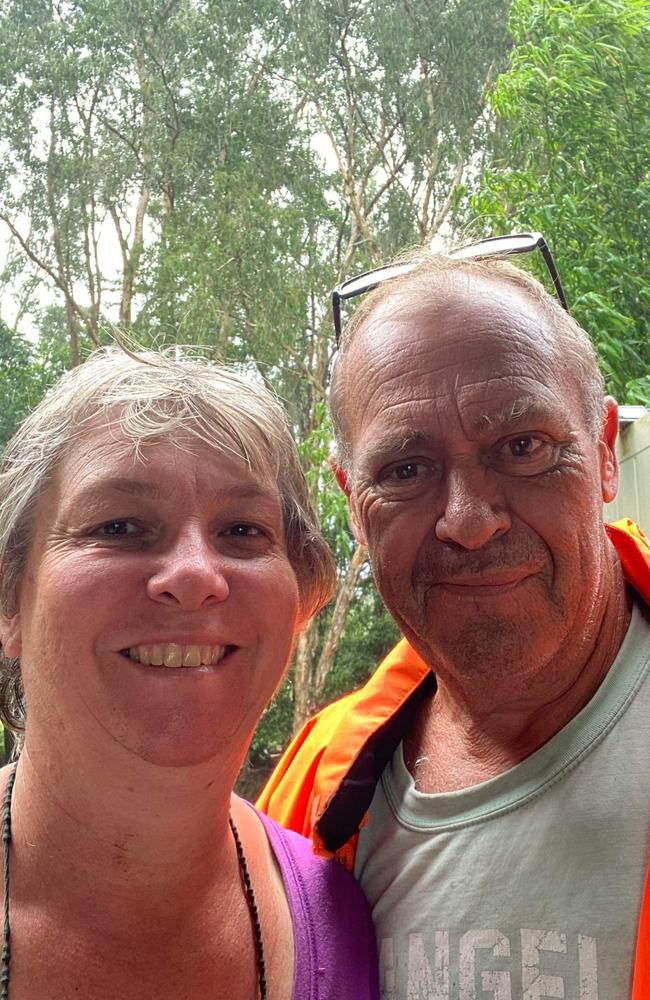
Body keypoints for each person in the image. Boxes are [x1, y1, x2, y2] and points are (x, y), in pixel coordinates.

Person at [258, 235, 650, 999]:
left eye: (524, 446)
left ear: (604, 454)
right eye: (406, 470)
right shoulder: (316, 793)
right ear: (353, 503)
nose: (470, 521)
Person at [0, 347, 379, 1000]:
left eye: (242, 529)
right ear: (10, 598)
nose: (197, 576)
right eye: (119, 526)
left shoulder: (351, 924)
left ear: (302, 597)